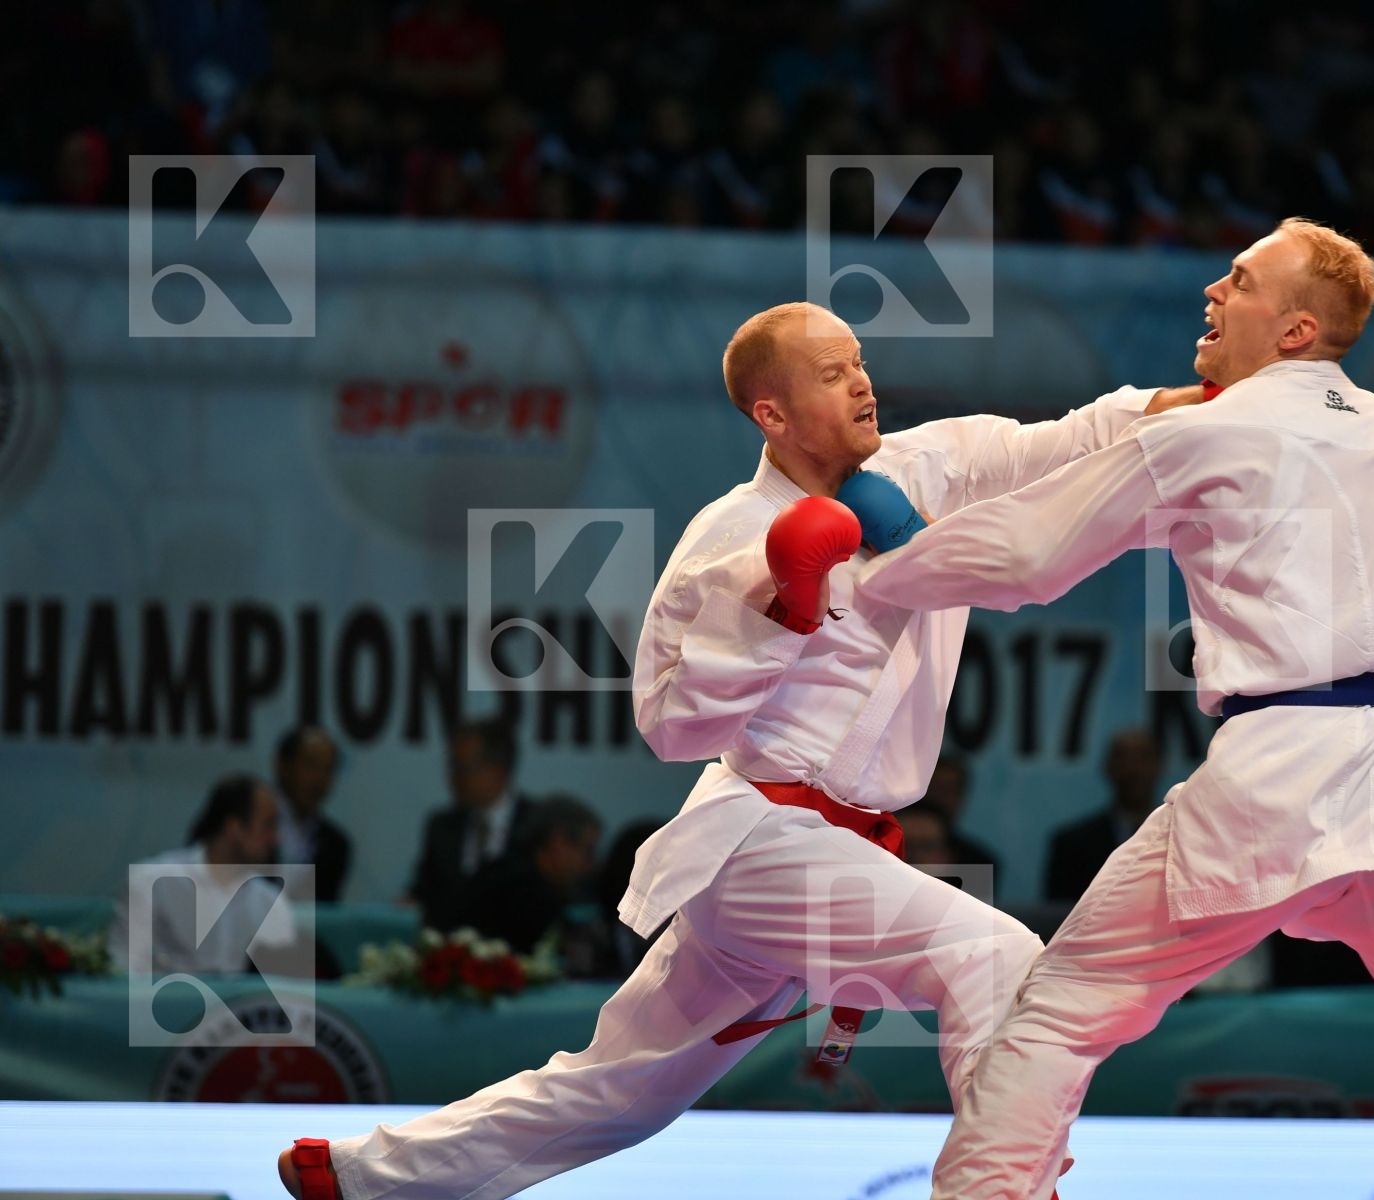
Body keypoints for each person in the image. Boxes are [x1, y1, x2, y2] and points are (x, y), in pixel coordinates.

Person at [278, 300, 1213, 1199]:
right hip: (759, 838)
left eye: (860, 363)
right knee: (991, 953)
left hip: (832, 852)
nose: (862, 384)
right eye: (832, 371)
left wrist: (1211, 404)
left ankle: (366, 1179)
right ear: (772, 412)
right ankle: (1004, 1190)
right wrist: (782, 611)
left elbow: (1065, 439)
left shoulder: (930, 468)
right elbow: (668, 723)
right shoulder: (732, 537)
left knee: (621, 1090)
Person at [858, 219, 1374, 1200]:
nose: (1212, 291)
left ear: (1293, 332)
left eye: (1239, 282)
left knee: (1059, 1015)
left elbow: (1027, 558)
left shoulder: (1212, 430)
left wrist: (874, 575)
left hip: (1275, 776)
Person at [108, 773, 300, 976]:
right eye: (268, 825)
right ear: (234, 828)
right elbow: (124, 971)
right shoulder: (150, 882)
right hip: (163, 1005)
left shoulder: (270, 900)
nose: (276, 838)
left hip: (236, 1007)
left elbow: (285, 981)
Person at [403, 716, 539, 932]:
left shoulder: (537, 826)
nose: (452, 779)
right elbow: (424, 892)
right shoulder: (441, 828)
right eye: (451, 767)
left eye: (462, 769)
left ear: (498, 771)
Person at [460, 794, 603, 955]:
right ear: (558, 841)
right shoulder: (519, 894)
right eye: (588, 851)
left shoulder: (506, 874)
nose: (591, 865)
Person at [1042, 728, 1163, 902]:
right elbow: (1058, 918)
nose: (1133, 769)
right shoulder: (1072, 846)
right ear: (1107, 767)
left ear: (1159, 765)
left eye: (1143, 757)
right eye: (1123, 758)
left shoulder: (1180, 839)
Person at [272, 726, 352, 902]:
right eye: (310, 765)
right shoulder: (246, 826)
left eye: (328, 769)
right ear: (283, 765)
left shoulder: (335, 845)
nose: (319, 778)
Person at [921, 754, 1003, 888]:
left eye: (947, 791)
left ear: (961, 797)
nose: (939, 799)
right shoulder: (887, 849)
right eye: (933, 789)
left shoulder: (979, 863)